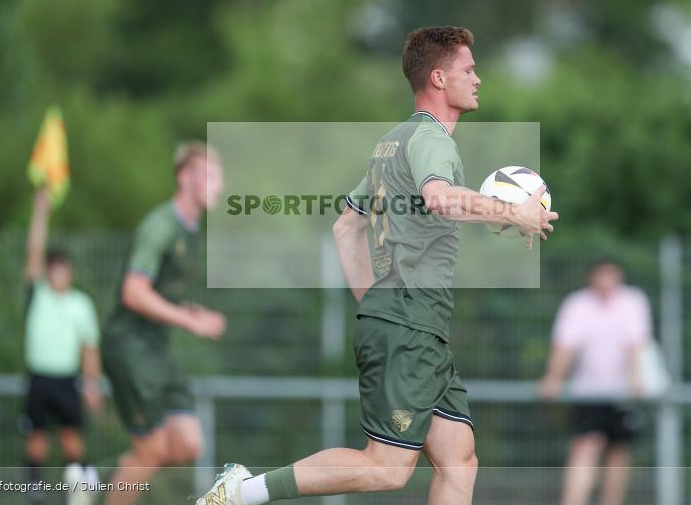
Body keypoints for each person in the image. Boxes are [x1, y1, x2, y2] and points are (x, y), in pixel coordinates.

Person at [196, 26, 558, 505]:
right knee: (385, 469)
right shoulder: (432, 140)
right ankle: (243, 492)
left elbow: (347, 226)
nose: (478, 78)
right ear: (438, 77)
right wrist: (515, 212)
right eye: (468, 69)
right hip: (409, 324)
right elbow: (440, 199)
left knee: (458, 460)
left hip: (409, 323)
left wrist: (375, 304)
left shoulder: (392, 141)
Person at [102, 141, 228, 505]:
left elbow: (161, 295)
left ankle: (96, 478)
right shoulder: (160, 226)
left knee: (188, 443)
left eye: (219, 177)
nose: (217, 185)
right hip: (130, 346)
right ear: (184, 178)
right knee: (153, 450)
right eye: (209, 175)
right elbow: (133, 292)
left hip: (156, 348)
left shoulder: (190, 230)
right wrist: (190, 324)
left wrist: (191, 312)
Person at [539, 259, 652, 505]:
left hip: (623, 393)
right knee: (586, 447)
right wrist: (554, 378)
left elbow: (635, 343)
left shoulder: (632, 301)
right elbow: (565, 345)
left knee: (618, 453)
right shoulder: (578, 304)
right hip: (588, 391)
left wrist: (635, 379)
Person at [22, 186, 101, 504]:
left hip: (66, 381)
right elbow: (33, 253)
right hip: (39, 378)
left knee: (72, 441)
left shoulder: (80, 304)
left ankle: (79, 491)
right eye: (51, 269)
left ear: (70, 273)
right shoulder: (38, 295)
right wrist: (41, 211)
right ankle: (34, 492)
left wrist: (92, 384)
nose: (56, 274)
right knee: (36, 438)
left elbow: (89, 348)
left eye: (62, 269)